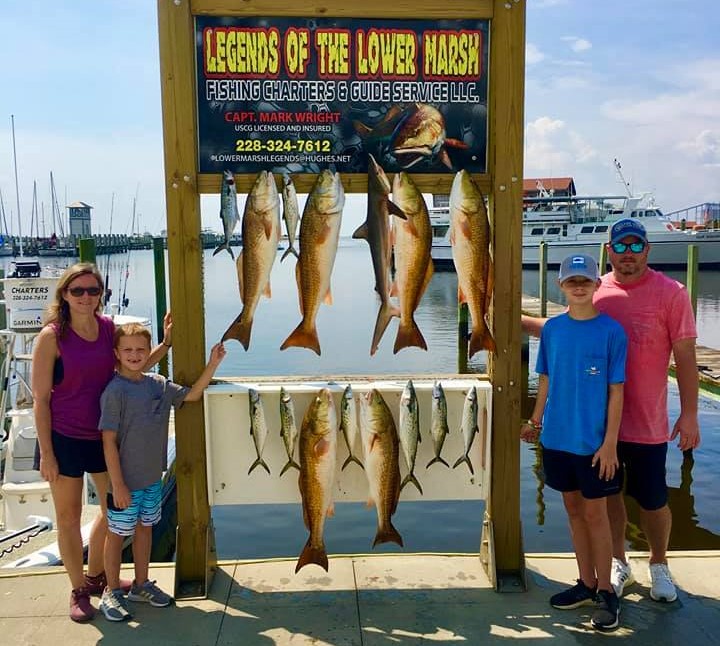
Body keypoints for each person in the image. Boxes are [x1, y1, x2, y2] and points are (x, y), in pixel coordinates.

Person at [522, 218, 701, 603]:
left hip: (648, 421)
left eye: (637, 246)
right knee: (608, 499)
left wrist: (689, 414)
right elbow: (563, 327)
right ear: (609, 251)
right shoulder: (597, 289)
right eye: (621, 247)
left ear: (648, 250)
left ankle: (659, 563)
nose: (628, 254)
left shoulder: (673, 293)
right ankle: (617, 562)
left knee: (654, 500)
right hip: (598, 426)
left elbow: (686, 356)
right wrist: (507, 318)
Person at [32, 263, 172, 622]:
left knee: (115, 512)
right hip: (64, 438)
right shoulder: (52, 337)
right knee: (68, 517)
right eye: (77, 290)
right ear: (64, 294)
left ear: (101, 294)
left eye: (92, 290)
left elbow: (132, 367)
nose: (85, 297)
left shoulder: (109, 329)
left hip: (104, 437)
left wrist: (165, 344)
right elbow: (40, 399)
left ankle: (96, 576)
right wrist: (47, 453)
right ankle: (79, 589)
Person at [521, 253, 627, 631]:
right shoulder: (552, 330)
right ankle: (584, 582)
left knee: (597, 514)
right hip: (556, 438)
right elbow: (545, 380)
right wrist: (534, 421)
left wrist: (610, 443)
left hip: (595, 444)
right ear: (560, 286)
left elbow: (617, 392)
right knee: (572, 510)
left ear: (598, 285)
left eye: (585, 280)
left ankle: (606, 592)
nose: (579, 286)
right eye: (572, 280)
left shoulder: (612, 331)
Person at [98, 323, 226, 622]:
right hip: (123, 483)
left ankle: (140, 584)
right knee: (117, 536)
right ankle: (111, 591)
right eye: (127, 350)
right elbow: (107, 442)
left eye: (141, 349)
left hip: (152, 479)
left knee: (145, 530)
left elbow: (192, 395)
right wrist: (117, 484)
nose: (135, 355)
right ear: (116, 354)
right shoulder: (114, 391)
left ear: (149, 352)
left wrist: (213, 363)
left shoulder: (159, 384)